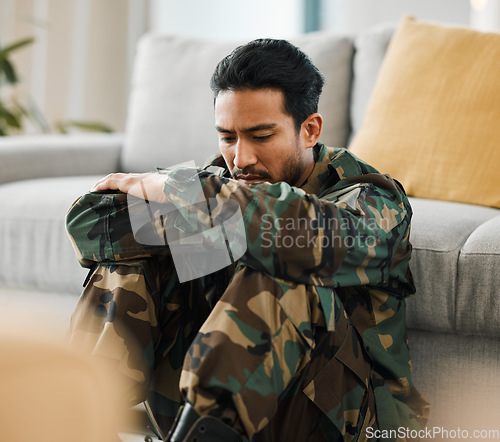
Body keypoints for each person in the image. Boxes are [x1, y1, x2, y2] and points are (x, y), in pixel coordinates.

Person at [66, 38, 429, 442]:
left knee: (281, 263)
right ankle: (79, 422)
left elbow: (307, 236)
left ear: (309, 130)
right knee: (126, 263)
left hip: (346, 421)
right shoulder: (220, 183)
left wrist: (191, 205)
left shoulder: (374, 198)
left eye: (260, 136)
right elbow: (89, 223)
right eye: (227, 137)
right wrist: (216, 222)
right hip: (224, 413)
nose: (240, 159)